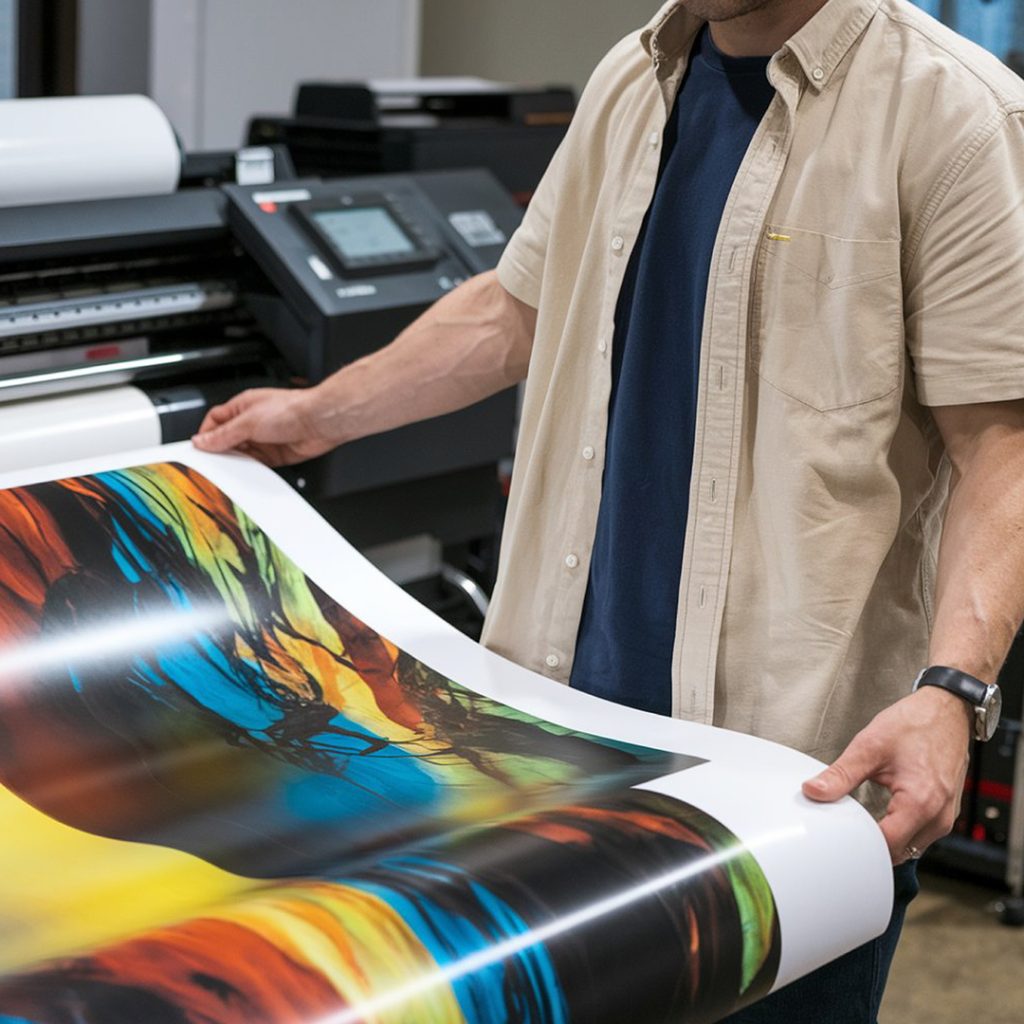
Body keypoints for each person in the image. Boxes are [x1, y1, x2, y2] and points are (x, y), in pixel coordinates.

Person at [194, 0, 1024, 1018]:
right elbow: (513, 308)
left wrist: (951, 692)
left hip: (783, 793)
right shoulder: (630, 82)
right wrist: (317, 414)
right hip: (560, 753)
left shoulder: (952, 112)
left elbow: (1001, 447)